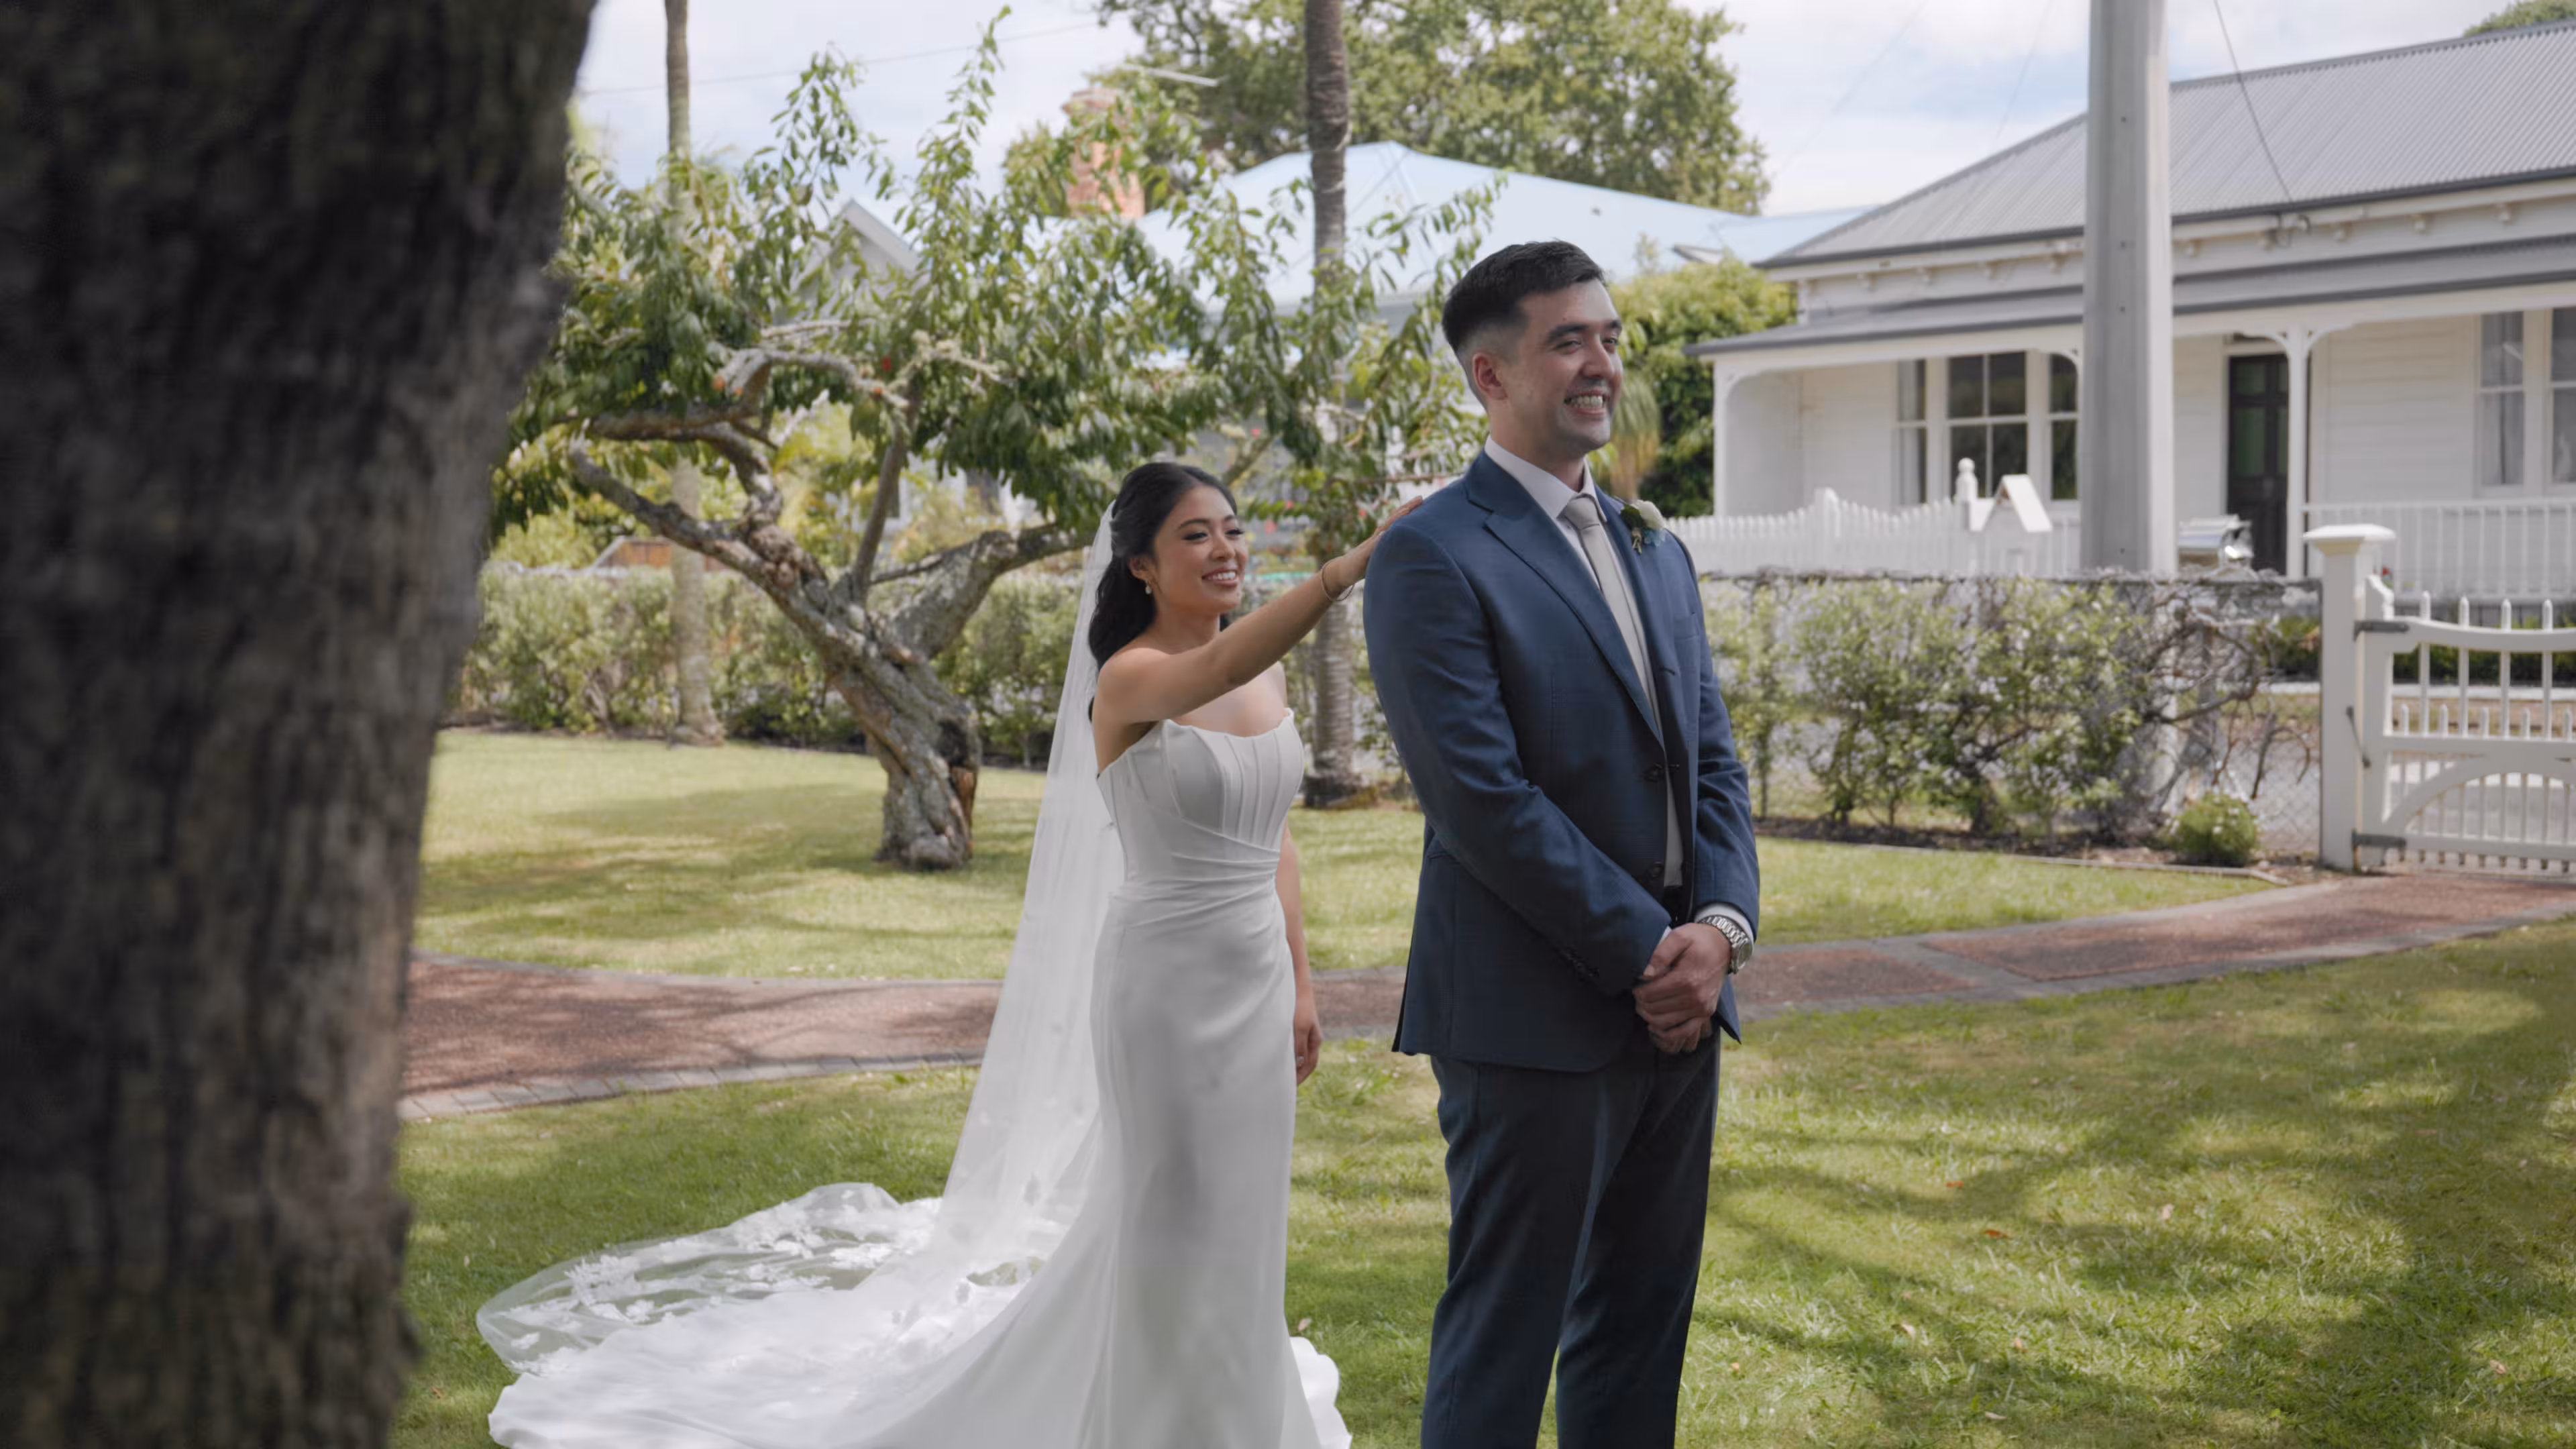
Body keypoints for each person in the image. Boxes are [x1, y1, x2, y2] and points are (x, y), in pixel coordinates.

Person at [476, 462, 1419, 1449]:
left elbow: (1278, 840)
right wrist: (1348, 568)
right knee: (1170, 1215)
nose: (1226, 550)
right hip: (1167, 990)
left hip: (1256, 979)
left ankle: (1232, 1414)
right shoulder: (1132, 678)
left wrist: (1305, 986)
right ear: (1141, 564)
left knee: (1241, 1217)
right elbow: (1214, 674)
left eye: (1232, 529)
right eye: (1197, 535)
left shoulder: (1264, 671)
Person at [1361, 239, 1762, 1449]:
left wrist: (1722, 934)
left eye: (1610, 336)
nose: (1603, 363)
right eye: (1568, 340)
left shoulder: (1657, 546)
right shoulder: (1431, 554)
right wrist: (1655, 953)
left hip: (1682, 1011)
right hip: (1528, 1018)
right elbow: (1481, 798)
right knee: (1503, 1342)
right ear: (1489, 374)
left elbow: (1714, 765)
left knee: (1641, 1332)